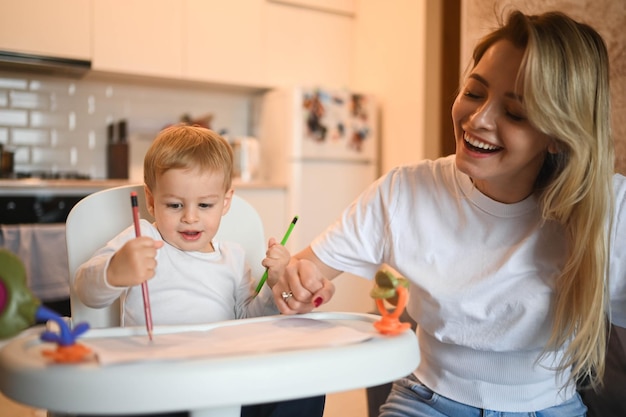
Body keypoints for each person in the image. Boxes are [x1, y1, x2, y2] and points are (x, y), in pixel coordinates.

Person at [273, 10, 626, 417]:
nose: (478, 120)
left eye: (514, 113)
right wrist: (295, 286)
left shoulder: (606, 209)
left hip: (551, 407)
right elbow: (300, 275)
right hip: (425, 403)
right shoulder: (405, 192)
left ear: (557, 136)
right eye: (474, 93)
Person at [75, 125, 325, 417]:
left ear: (225, 202)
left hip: (226, 378)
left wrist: (274, 285)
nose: (190, 217)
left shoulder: (233, 256)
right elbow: (84, 289)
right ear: (152, 201)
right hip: (154, 383)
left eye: (205, 204)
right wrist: (114, 271)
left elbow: (250, 323)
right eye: (174, 204)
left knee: (308, 381)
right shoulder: (141, 238)